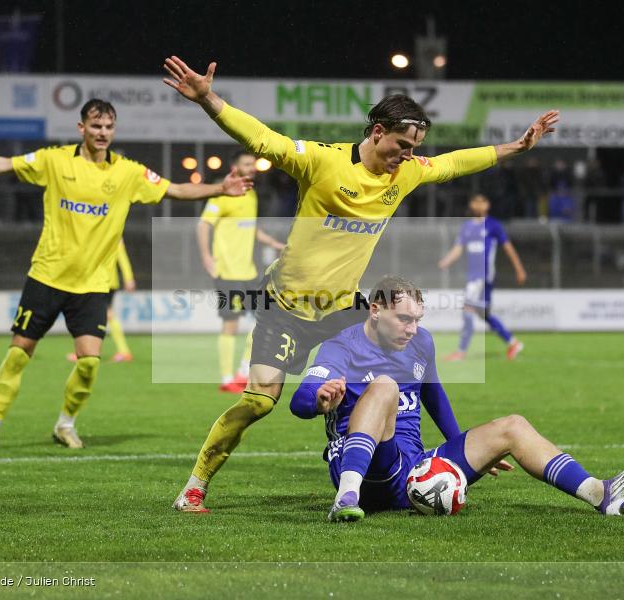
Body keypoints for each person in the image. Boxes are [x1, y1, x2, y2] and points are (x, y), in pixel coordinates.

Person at [162, 55, 558, 512]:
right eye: (402, 145)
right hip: (284, 309)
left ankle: (409, 465)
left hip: (344, 308)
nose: (407, 156)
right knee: (259, 403)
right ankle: (194, 487)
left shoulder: (405, 173)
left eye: (414, 148)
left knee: (409, 362)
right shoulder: (323, 162)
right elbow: (263, 139)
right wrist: (208, 99)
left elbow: (453, 163)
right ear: (377, 132)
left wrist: (516, 147)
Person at [0, 98, 252, 452]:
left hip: (92, 285)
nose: (102, 132)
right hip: (46, 277)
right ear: (82, 128)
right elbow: (3, 164)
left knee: (89, 362)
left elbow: (177, 189)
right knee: (18, 354)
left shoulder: (128, 173)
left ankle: (65, 424)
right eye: (96, 126)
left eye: (108, 127)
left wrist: (219, 188)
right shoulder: (55, 160)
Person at [290, 275, 624, 521]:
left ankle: (600, 494)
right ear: (375, 310)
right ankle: (346, 498)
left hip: (413, 466)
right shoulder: (342, 346)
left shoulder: (420, 342)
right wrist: (319, 400)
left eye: (417, 319)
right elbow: (301, 401)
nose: (413, 329)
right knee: (386, 386)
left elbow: (433, 394)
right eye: (403, 319)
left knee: (512, 426)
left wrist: (462, 448)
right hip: (367, 472)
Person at [197, 150, 285, 393]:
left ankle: (243, 370)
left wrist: (274, 243)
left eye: (253, 163)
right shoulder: (222, 194)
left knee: (264, 319)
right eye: (247, 164)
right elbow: (203, 224)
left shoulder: (251, 194)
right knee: (231, 324)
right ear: (234, 167)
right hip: (228, 272)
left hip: (249, 271)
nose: (252, 167)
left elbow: (251, 228)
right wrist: (206, 256)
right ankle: (227, 378)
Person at [437, 194, 526, 361]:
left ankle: (461, 352)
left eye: (482, 202)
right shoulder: (467, 227)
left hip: (484, 276)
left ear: (488, 205)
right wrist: (446, 261)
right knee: (484, 314)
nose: (478, 205)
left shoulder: (493, 225)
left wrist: (519, 269)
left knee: (467, 308)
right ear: (471, 205)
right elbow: (458, 249)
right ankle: (513, 342)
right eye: (475, 202)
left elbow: (508, 248)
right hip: (473, 276)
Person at [67, 238, 136, 364]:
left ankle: (122, 351)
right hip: (99, 281)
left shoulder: (112, 234)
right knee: (97, 315)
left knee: (103, 314)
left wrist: (129, 278)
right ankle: (91, 350)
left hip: (104, 282)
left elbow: (121, 256)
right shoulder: (107, 233)